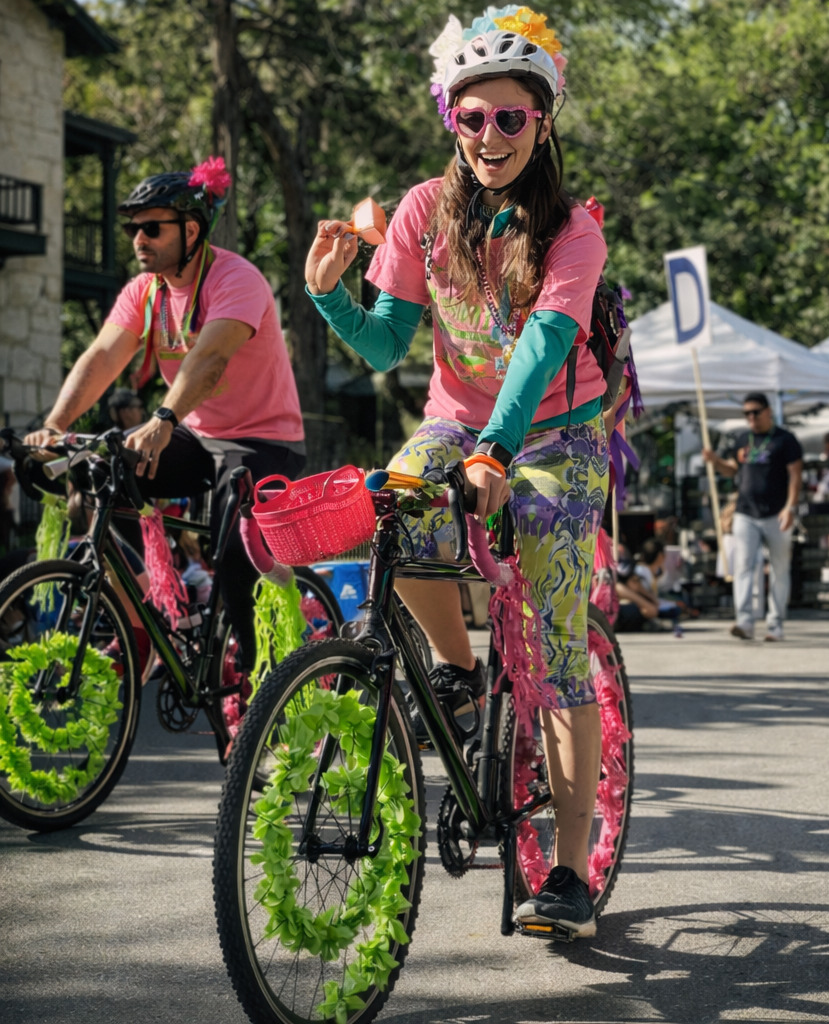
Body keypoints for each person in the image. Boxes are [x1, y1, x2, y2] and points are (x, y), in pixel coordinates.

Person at [305, 6, 607, 938]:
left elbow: (542, 352)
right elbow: (387, 344)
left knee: (555, 639)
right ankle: (459, 672)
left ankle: (567, 873)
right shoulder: (422, 210)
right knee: (398, 493)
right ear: (452, 120)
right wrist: (328, 295)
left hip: (557, 433)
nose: (489, 137)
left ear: (542, 123)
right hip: (454, 424)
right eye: (472, 119)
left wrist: (496, 452)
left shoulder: (574, 230)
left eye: (510, 119)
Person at [24, 157, 305, 678]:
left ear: (191, 230)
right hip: (195, 435)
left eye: (152, 228)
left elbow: (210, 358)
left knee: (235, 556)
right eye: (133, 228)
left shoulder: (235, 277)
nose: (138, 239)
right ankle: (144, 619)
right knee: (99, 471)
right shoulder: (145, 292)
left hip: (263, 441)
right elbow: (103, 357)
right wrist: (56, 426)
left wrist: (164, 416)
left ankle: (250, 670)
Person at [702, 392, 803, 641]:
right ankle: (744, 621)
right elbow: (732, 470)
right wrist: (715, 461)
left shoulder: (785, 439)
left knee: (779, 568)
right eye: (747, 413)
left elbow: (796, 476)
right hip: (746, 512)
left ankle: (775, 624)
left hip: (776, 513)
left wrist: (790, 507)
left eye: (756, 412)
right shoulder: (742, 439)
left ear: (768, 411)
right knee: (743, 566)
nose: (751, 417)